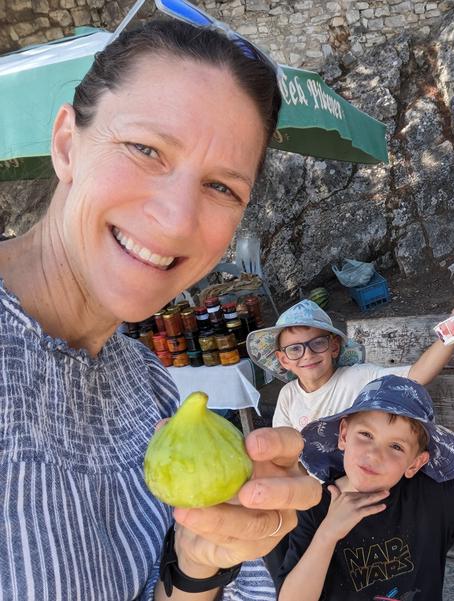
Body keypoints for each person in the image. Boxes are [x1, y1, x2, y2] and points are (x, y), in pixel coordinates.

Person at [0, 18, 321, 601]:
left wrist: (198, 564)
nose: (175, 221)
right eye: (145, 149)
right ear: (67, 144)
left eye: (222, 188)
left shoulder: (149, 386)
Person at [275, 374, 454, 600]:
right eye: (366, 435)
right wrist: (327, 535)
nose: (374, 454)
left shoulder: (432, 497)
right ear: (344, 435)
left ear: (415, 463)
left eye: (396, 446)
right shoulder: (314, 506)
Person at [246, 298, 454, 430]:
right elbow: (284, 448)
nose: (307, 354)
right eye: (295, 349)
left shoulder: (359, 378)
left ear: (334, 347)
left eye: (318, 343)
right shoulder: (288, 396)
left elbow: (417, 375)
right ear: (283, 360)